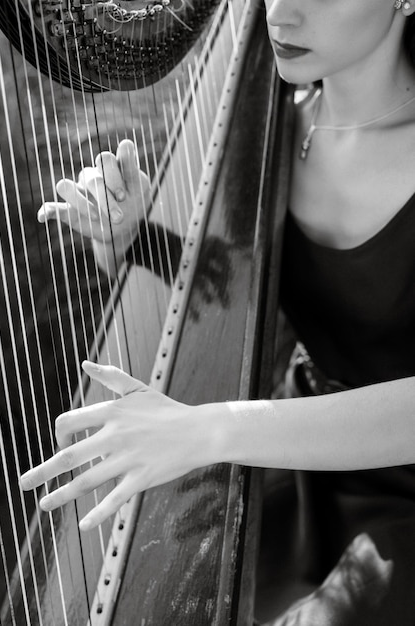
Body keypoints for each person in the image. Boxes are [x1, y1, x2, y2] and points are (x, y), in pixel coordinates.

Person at [20, 0, 415, 623]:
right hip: (302, 443)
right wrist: (126, 236)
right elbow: (232, 277)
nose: (279, 16)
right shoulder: (282, 121)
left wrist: (210, 427)